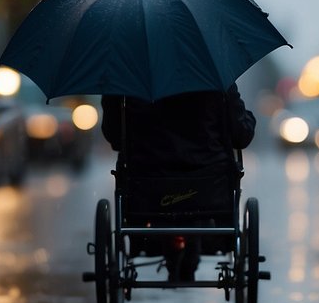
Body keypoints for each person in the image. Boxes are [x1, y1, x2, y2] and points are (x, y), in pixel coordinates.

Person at [101, 85, 256, 280]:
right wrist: (248, 119)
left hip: (148, 186)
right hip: (207, 185)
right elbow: (241, 135)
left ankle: (167, 248)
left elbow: (114, 136)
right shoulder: (216, 78)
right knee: (198, 195)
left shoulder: (125, 79)